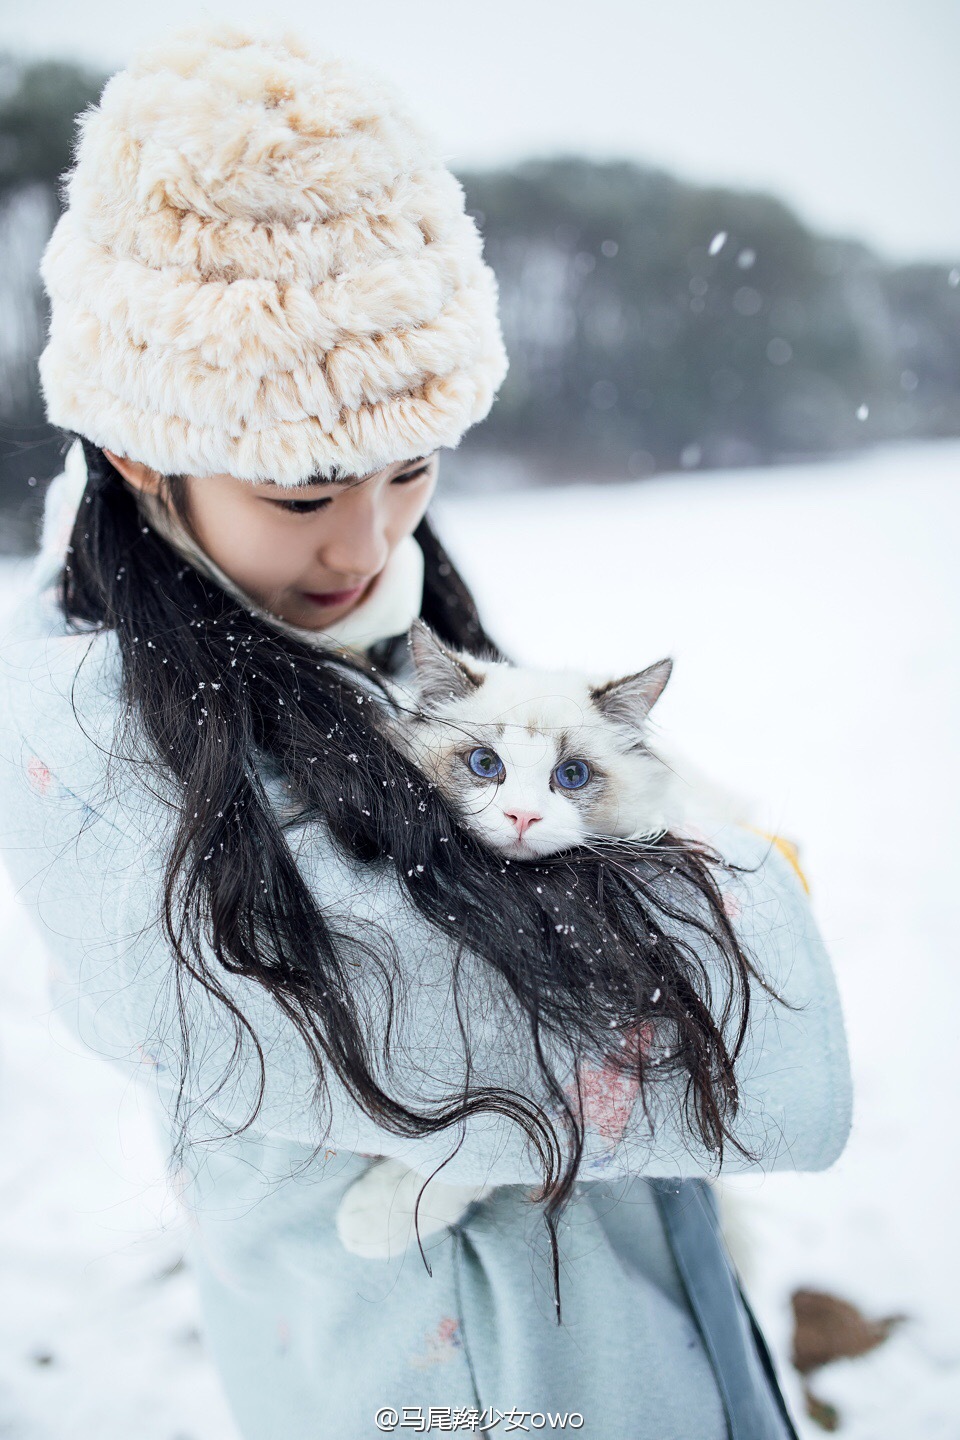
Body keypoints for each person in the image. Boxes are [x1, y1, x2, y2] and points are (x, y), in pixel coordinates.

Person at [0, 24, 852, 1440]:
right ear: (144, 455)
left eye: (412, 467)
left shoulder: (383, 616)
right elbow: (404, 1006)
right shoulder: (88, 720)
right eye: (304, 490)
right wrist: (731, 908)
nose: (371, 534)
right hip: (433, 1366)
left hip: (610, 1297)